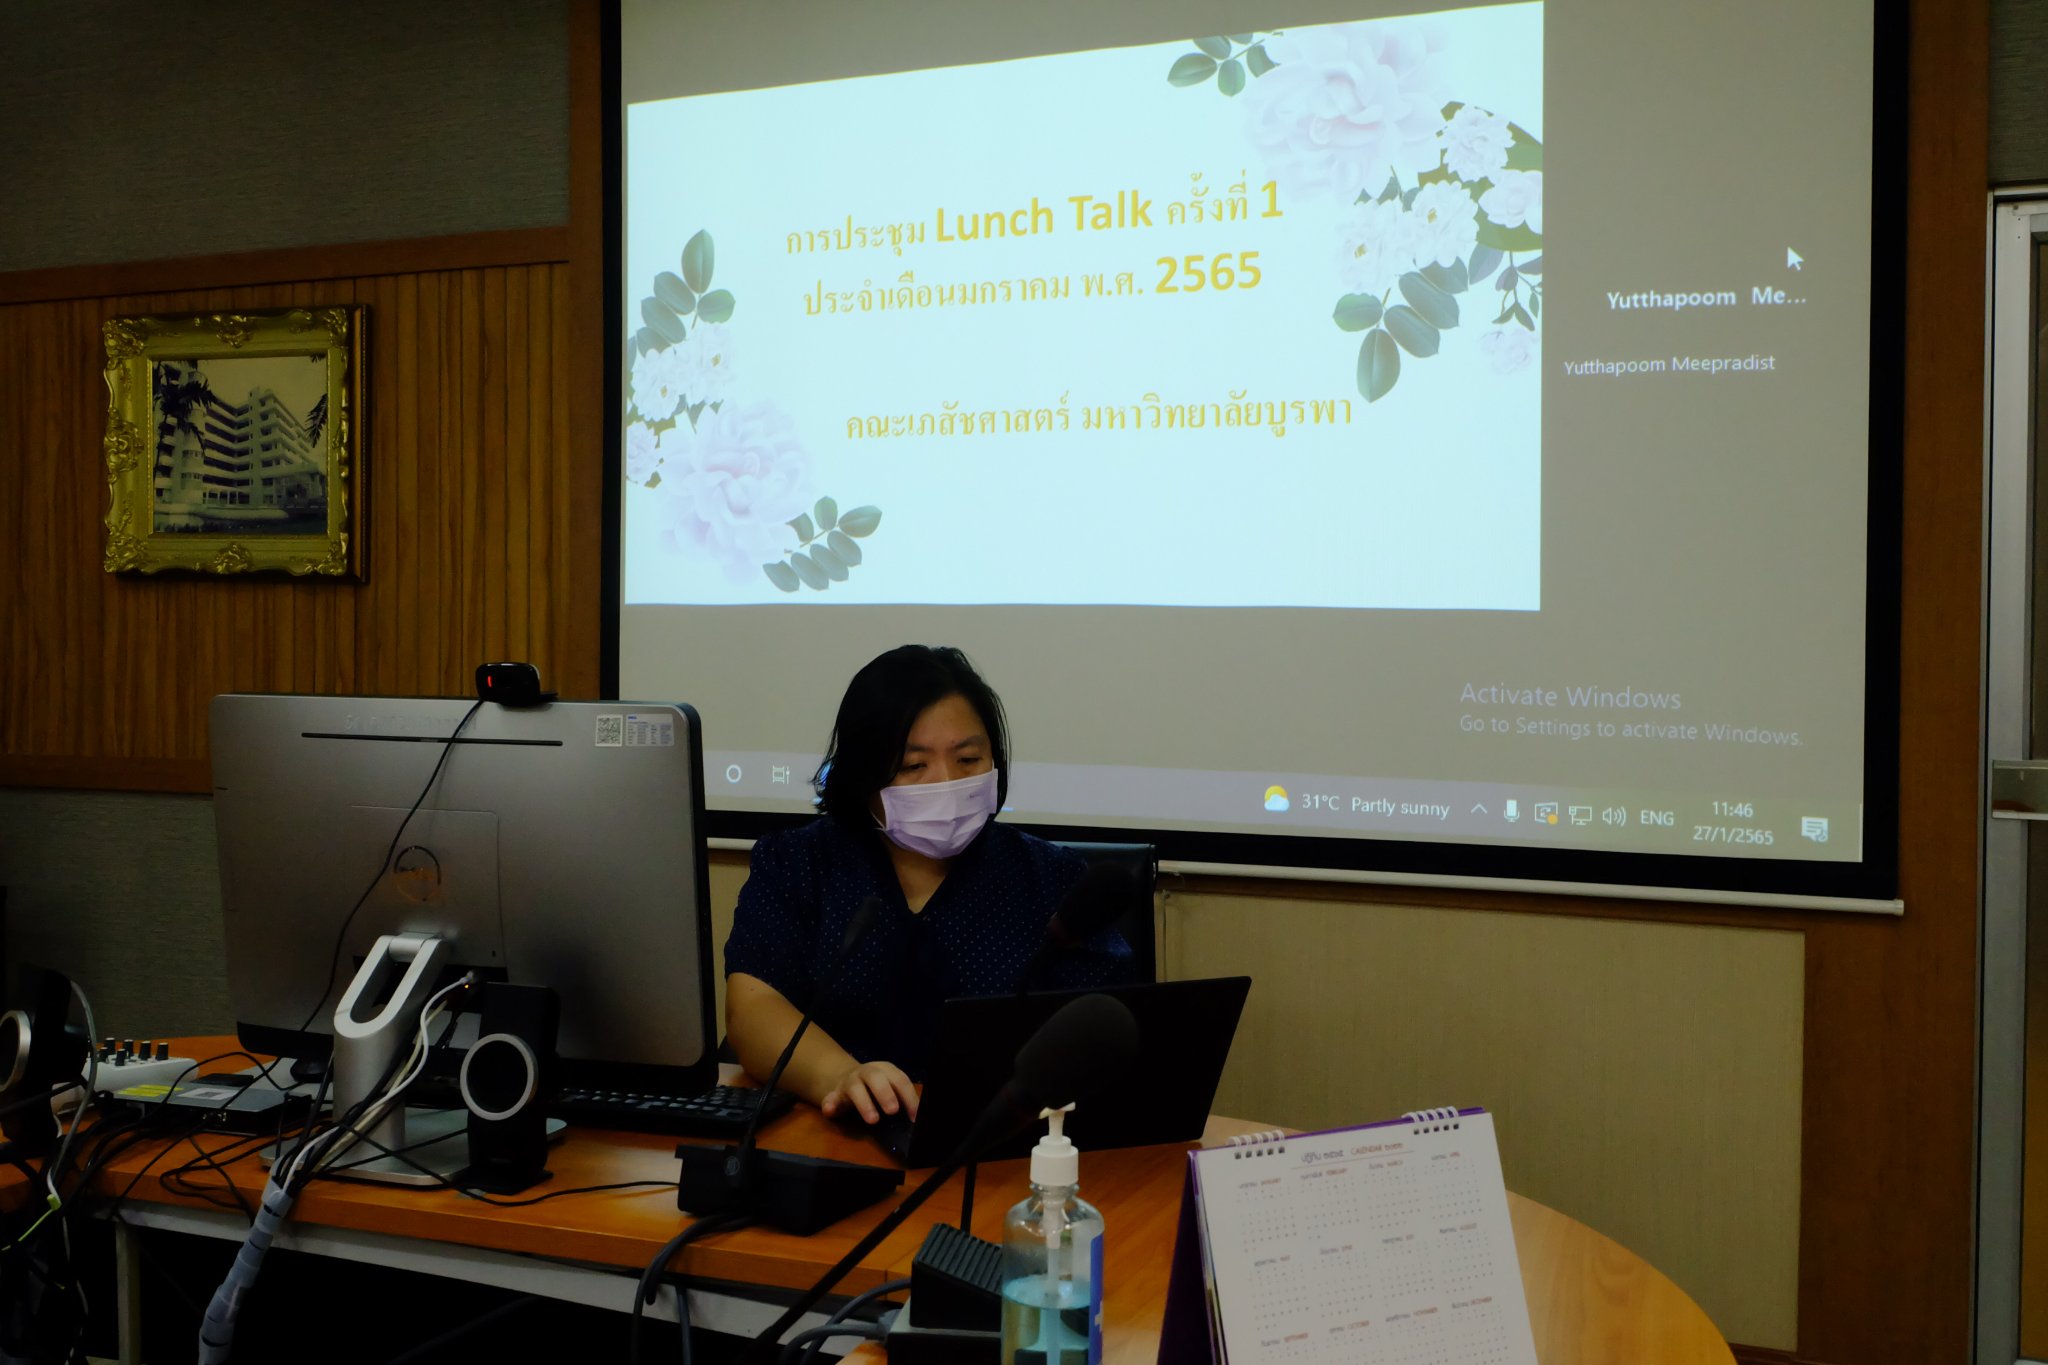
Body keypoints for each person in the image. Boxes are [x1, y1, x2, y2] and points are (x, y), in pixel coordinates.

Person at [723, 645, 1132, 1126]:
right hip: (831, 1130)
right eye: (914, 766)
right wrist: (840, 1075)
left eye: (968, 759)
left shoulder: (1050, 877)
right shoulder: (799, 863)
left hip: (1009, 1138)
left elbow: (1107, 1025)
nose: (946, 783)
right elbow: (754, 1007)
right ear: (862, 775)